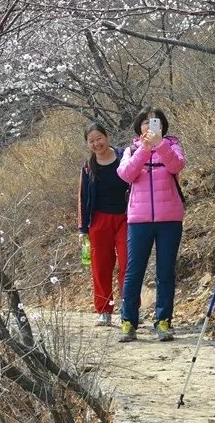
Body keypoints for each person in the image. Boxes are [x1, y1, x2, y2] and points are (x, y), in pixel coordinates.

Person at [116, 106, 185, 342]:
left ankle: (163, 321)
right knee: (133, 272)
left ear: (163, 126)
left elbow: (176, 166)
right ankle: (128, 321)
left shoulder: (173, 146)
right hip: (139, 219)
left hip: (170, 218)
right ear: (139, 127)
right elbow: (125, 174)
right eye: (145, 123)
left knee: (165, 272)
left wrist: (160, 146)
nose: (150, 126)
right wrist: (145, 149)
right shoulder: (131, 150)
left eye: (154, 122)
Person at [77, 122, 130, 327]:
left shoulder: (124, 156)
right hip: (98, 220)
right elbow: (82, 197)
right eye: (91, 141)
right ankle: (104, 310)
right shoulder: (88, 167)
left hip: (126, 217)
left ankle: (130, 308)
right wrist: (82, 230)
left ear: (107, 136)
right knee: (100, 267)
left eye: (99, 138)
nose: (96, 143)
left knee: (128, 264)